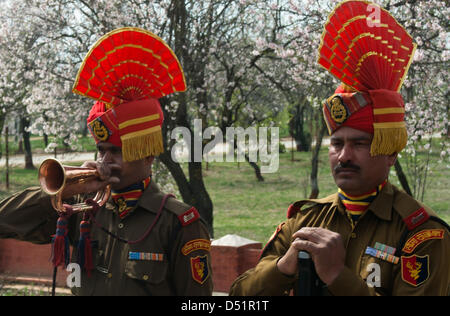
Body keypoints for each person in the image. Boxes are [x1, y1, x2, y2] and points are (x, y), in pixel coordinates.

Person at [229, 1, 449, 296]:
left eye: (360, 144)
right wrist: (283, 267)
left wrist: (337, 275)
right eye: (336, 144)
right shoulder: (304, 221)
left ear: (391, 152)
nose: (344, 156)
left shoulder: (421, 233)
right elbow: (239, 296)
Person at [0, 27, 213, 296]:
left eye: (117, 151)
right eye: (101, 150)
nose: (104, 160)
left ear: (148, 153)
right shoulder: (81, 209)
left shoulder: (177, 222)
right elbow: (4, 220)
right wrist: (67, 190)